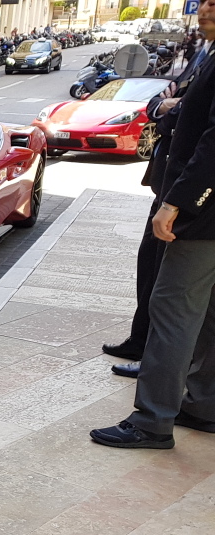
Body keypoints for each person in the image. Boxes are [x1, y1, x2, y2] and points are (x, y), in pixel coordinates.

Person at [91, 0, 215, 449]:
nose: (204, 9)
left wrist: (178, 202)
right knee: (209, 314)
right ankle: (203, 407)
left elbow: (212, 142)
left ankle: (152, 420)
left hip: (203, 215)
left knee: (173, 309)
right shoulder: (209, 54)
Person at [103, 37, 209, 374]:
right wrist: (167, 109)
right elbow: (158, 107)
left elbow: (192, 123)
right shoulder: (200, 55)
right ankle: (141, 342)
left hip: (186, 196)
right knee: (149, 267)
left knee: (171, 296)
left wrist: (171, 110)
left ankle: (155, 389)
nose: (206, 7)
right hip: (167, 185)